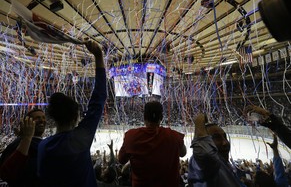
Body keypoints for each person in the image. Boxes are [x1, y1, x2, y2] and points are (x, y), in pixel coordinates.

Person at [37, 40, 107, 187]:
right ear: (76, 117)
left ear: (53, 117)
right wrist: (98, 56)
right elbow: (98, 99)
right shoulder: (79, 140)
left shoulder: (43, 146)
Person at [118, 101, 187, 187]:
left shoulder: (131, 136)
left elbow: (121, 159)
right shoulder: (174, 136)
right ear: (161, 117)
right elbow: (183, 153)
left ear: (144, 117)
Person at [188, 113, 246, 187]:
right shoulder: (200, 163)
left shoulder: (223, 164)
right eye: (217, 138)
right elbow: (205, 154)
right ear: (206, 142)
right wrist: (199, 120)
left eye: (225, 137)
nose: (225, 142)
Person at [0, 108, 46, 187]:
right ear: (27, 122)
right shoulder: (19, 145)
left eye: (43, 117)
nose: (42, 120)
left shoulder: (44, 144)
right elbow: (7, 173)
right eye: (37, 118)